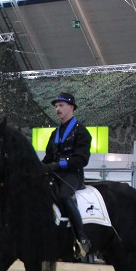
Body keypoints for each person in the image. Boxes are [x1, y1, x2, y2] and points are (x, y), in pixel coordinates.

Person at [42, 92, 92, 255]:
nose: (57, 109)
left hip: (73, 174)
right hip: (55, 173)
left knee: (64, 196)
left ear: (72, 107)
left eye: (61, 105)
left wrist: (58, 165)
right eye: (56, 106)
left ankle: (82, 237)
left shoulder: (82, 132)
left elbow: (82, 159)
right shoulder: (54, 133)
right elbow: (48, 157)